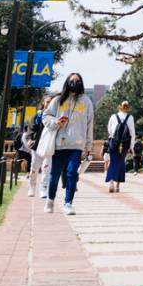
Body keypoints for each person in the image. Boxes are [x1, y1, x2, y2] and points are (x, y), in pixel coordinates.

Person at [42, 73, 95, 216]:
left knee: (72, 174)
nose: (75, 83)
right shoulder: (58, 100)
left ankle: (68, 203)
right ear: (67, 82)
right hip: (59, 144)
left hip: (77, 146)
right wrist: (56, 122)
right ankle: (50, 200)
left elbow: (90, 125)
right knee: (54, 175)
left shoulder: (86, 101)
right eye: (72, 81)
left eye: (78, 81)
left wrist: (89, 147)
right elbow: (45, 116)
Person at [105, 101, 136, 193]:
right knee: (121, 162)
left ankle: (111, 182)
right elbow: (132, 133)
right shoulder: (130, 117)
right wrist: (131, 147)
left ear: (120, 107)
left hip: (114, 142)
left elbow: (109, 130)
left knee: (113, 161)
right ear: (128, 108)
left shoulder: (113, 116)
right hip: (125, 144)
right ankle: (118, 185)